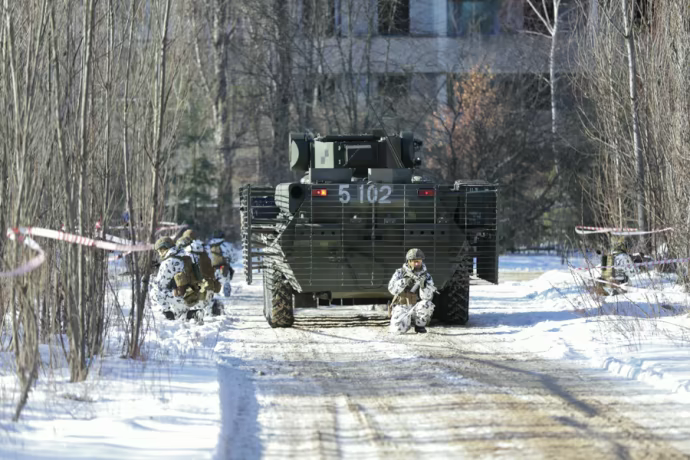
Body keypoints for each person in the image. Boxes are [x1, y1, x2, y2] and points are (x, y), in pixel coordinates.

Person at [151, 237, 203, 322]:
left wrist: (152, 278)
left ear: (163, 249)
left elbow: (160, 285)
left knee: (155, 291)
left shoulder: (168, 262)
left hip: (181, 298)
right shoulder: (186, 255)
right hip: (193, 295)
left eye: (159, 251)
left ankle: (167, 314)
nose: (159, 254)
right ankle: (194, 314)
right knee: (179, 314)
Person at [388, 248, 436, 334]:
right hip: (403, 305)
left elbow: (427, 297)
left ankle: (420, 326)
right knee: (397, 330)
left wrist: (424, 287)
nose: (417, 264)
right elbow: (392, 289)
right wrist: (404, 281)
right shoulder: (400, 273)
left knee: (427, 304)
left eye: (419, 261)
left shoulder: (426, 276)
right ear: (409, 261)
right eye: (414, 261)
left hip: (417, 307)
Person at [177, 235, 222, 316]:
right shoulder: (203, 253)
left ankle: (196, 313)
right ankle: (210, 310)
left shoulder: (186, 255)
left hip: (197, 289)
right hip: (208, 286)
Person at [206, 230, 235, 297]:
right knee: (226, 280)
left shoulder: (208, 245)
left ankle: (213, 294)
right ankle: (226, 294)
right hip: (223, 267)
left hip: (212, 268)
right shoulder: (225, 245)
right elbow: (233, 257)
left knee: (212, 282)